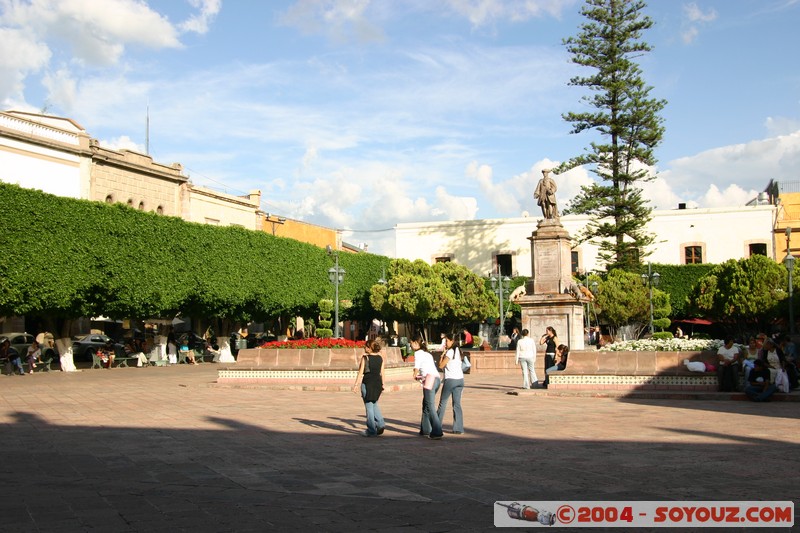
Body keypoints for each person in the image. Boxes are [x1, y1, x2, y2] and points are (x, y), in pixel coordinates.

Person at [410, 333, 443, 440]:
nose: (410, 345)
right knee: (426, 404)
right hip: (437, 379)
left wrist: (415, 374)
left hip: (429, 380)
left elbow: (417, 367)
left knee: (430, 406)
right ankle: (425, 429)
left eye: (411, 343)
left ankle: (437, 431)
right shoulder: (427, 353)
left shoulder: (418, 353)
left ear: (415, 343)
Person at [351, 338, 386, 437]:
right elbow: (382, 372)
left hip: (367, 383)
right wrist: (383, 384)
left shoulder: (365, 358)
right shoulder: (380, 358)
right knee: (374, 403)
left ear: (370, 348)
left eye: (366, 346)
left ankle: (371, 429)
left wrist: (356, 384)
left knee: (369, 406)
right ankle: (380, 423)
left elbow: (360, 372)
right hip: (378, 383)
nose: (364, 348)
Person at [437, 332, 465, 435]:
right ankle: (458, 428)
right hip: (460, 379)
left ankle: (436, 426)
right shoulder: (458, 350)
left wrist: (442, 355)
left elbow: (441, 365)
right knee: (457, 404)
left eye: (447, 341)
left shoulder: (450, 352)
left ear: (452, 341)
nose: (445, 343)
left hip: (451, 379)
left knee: (442, 403)